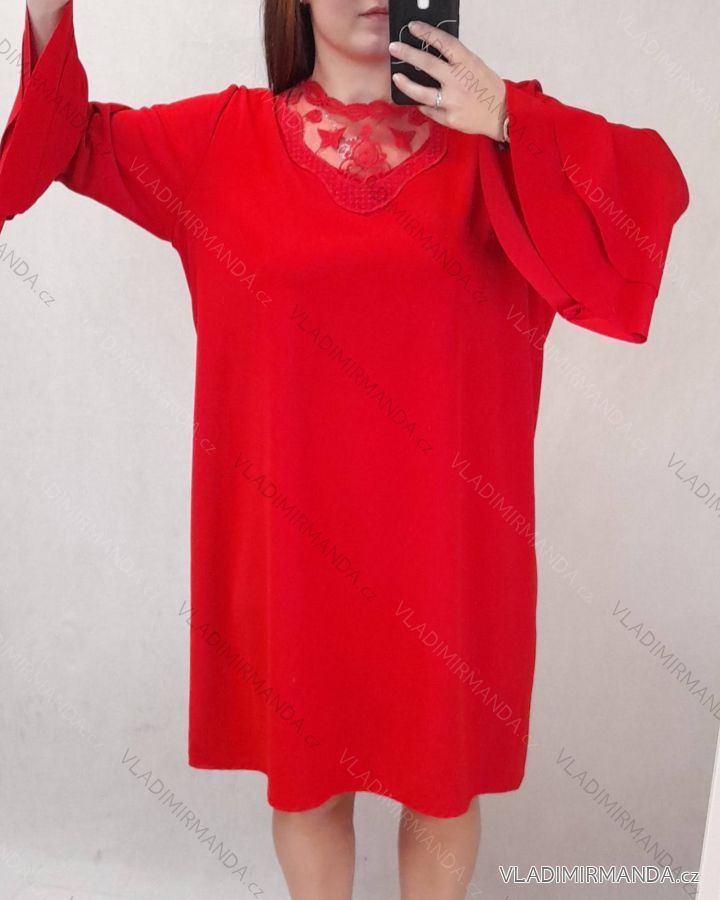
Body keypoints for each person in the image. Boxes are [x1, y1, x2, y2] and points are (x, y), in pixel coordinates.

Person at [0, 2, 690, 898]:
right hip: (290, 552)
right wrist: (46, 11)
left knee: (442, 793)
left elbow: (652, 188)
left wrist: (510, 119)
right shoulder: (217, 141)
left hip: (449, 555)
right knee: (308, 790)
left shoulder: (502, 137)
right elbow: (61, 145)